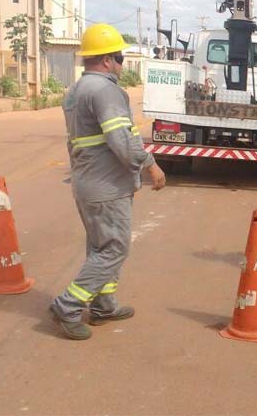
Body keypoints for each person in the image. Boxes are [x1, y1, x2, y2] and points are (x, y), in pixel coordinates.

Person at [49, 23, 167, 340]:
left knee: (100, 247)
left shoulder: (75, 92)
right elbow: (122, 139)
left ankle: (103, 305)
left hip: (88, 183)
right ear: (106, 59)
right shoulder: (105, 90)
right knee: (114, 249)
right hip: (106, 187)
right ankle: (68, 305)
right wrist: (149, 165)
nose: (120, 65)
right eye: (120, 58)